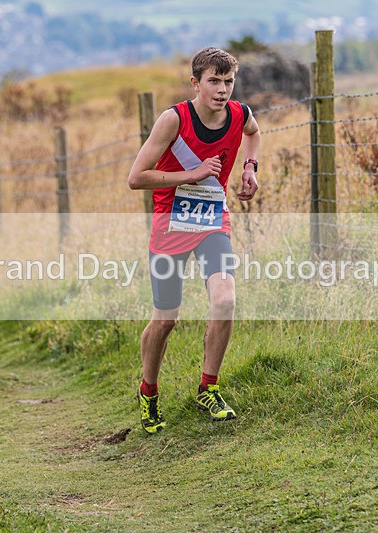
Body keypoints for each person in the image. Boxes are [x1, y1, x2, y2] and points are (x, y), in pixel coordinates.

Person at [127, 47, 260, 433]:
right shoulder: (173, 120)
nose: (222, 90)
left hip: (212, 223)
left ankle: (208, 388)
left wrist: (249, 169)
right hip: (170, 226)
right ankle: (148, 390)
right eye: (214, 81)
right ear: (196, 83)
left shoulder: (240, 114)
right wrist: (192, 174)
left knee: (225, 299)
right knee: (166, 320)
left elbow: (253, 134)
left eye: (228, 81)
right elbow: (137, 177)